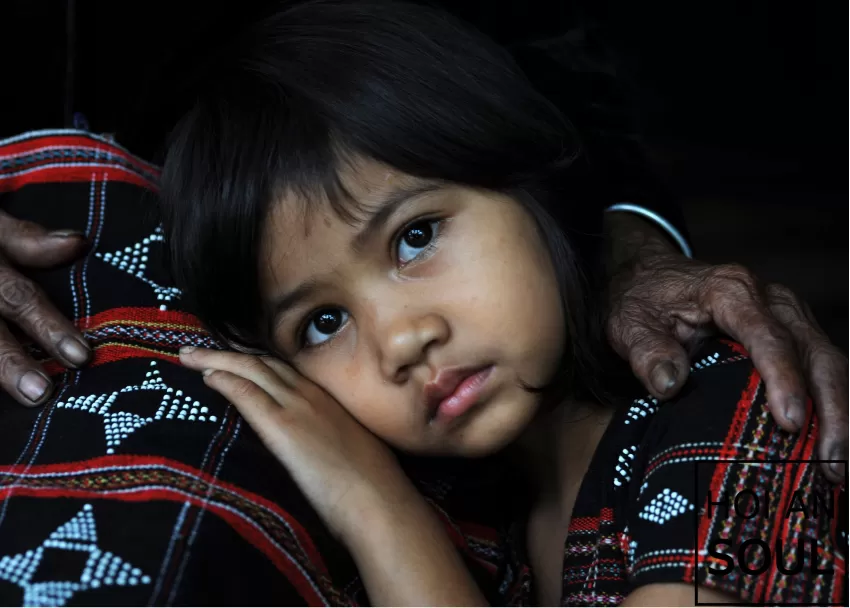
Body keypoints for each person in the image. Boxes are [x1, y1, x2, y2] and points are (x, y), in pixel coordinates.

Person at [150, 0, 847, 605]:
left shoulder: (732, 408)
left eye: (415, 237)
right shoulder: (481, 513)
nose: (400, 341)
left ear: (532, 179)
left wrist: (377, 513)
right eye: (323, 323)